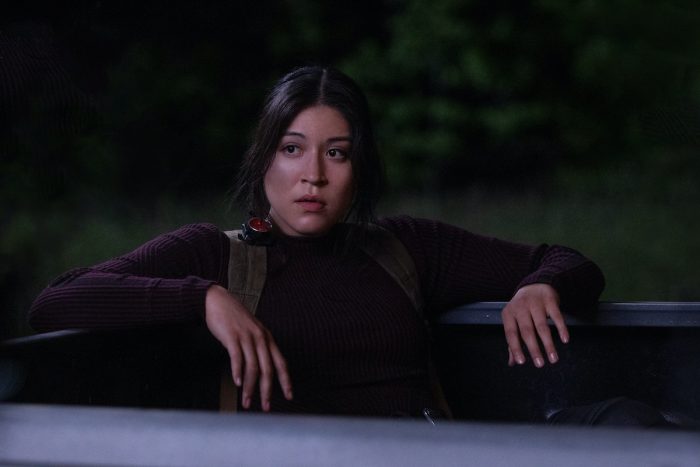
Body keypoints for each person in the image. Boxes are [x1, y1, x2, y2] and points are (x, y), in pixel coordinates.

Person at [29, 66, 605, 418]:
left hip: (424, 453)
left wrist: (540, 286)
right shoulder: (216, 254)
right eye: (292, 149)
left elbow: (569, 262)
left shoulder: (405, 246)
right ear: (264, 160)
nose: (314, 176)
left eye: (337, 153)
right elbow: (56, 301)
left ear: (360, 167)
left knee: (622, 421)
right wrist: (203, 296)